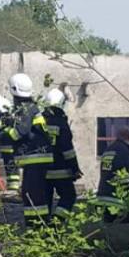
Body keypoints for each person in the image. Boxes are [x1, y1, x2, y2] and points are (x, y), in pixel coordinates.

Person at [1, 73, 54, 226]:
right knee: (32, 193)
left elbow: (19, 132)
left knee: (32, 194)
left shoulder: (25, 109)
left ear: (14, 91)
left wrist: (1, 136)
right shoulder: (30, 107)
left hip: (35, 158)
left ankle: (36, 225)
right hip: (37, 158)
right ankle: (38, 224)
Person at [43, 89, 81, 221]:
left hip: (42, 172)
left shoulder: (40, 122)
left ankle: (44, 229)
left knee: (45, 202)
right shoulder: (61, 123)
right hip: (62, 171)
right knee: (69, 197)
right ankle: (57, 223)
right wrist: (75, 169)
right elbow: (68, 151)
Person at [97, 125, 129, 223]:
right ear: (128, 137)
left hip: (103, 197)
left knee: (108, 229)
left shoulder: (108, 150)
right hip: (118, 199)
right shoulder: (125, 151)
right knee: (126, 228)